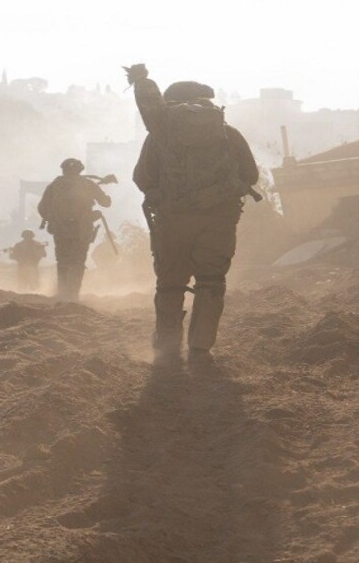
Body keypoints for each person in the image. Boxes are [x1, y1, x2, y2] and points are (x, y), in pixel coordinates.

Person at [123, 64, 260, 364]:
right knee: (211, 281)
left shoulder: (159, 135)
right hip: (218, 222)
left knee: (170, 283)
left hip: (172, 220)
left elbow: (142, 178)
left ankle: (167, 347)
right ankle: (201, 346)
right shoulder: (229, 134)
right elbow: (251, 175)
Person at [37, 158, 111, 301]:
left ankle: (62, 293)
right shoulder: (88, 184)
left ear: (63, 169)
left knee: (62, 260)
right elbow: (106, 203)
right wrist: (106, 196)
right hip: (82, 230)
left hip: (60, 230)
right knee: (78, 261)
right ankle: (73, 295)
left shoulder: (54, 185)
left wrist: (53, 218)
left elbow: (42, 208)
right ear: (80, 169)